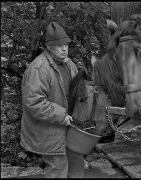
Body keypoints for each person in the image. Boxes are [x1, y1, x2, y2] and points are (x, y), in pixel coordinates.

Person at [20, 22, 85, 178]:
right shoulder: (39, 68)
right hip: (50, 132)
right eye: (59, 45)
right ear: (49, 46)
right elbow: (34, 103)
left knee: (76, 162)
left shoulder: (69, 64)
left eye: (66, 45)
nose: (64, 49)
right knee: (58, 167)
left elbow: (77, 93)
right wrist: (62, 116)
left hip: (70, 129)